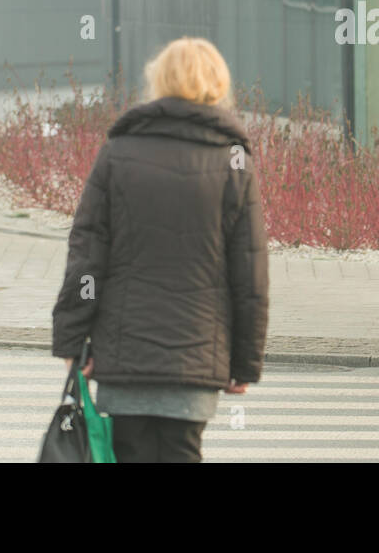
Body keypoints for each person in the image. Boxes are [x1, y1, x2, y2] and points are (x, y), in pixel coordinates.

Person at [51, 37, 268, 463]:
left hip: (123, 354)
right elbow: (250, 277)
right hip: (196, 357)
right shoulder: (234, 162)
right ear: (216, 83)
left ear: (160, 80)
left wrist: (75, 340)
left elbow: (88, 263)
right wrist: (244, 362)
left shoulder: (118, 152)